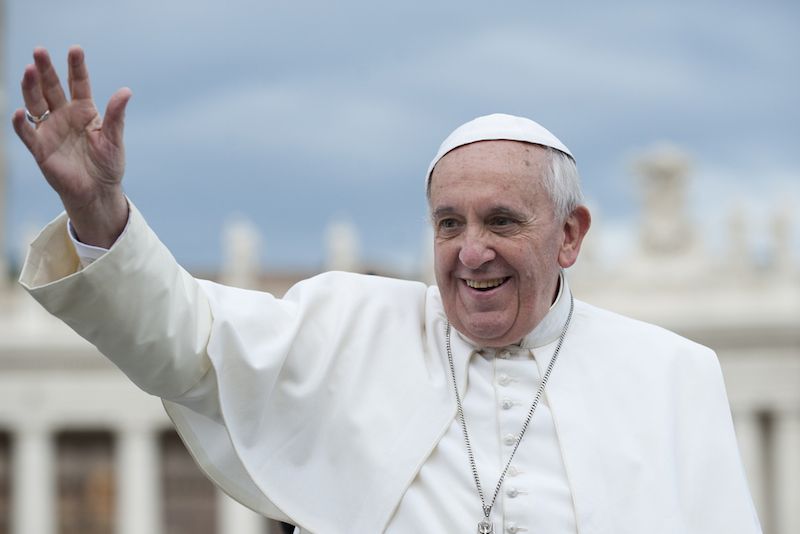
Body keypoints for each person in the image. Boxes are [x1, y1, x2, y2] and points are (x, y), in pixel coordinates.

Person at [14, 47, 761, 534]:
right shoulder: (348, 324)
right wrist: (97, 211)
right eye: (448, 223)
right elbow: (188, 342)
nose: (471, 252)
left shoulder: (673, 376)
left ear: (570, 235)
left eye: (501, 220)